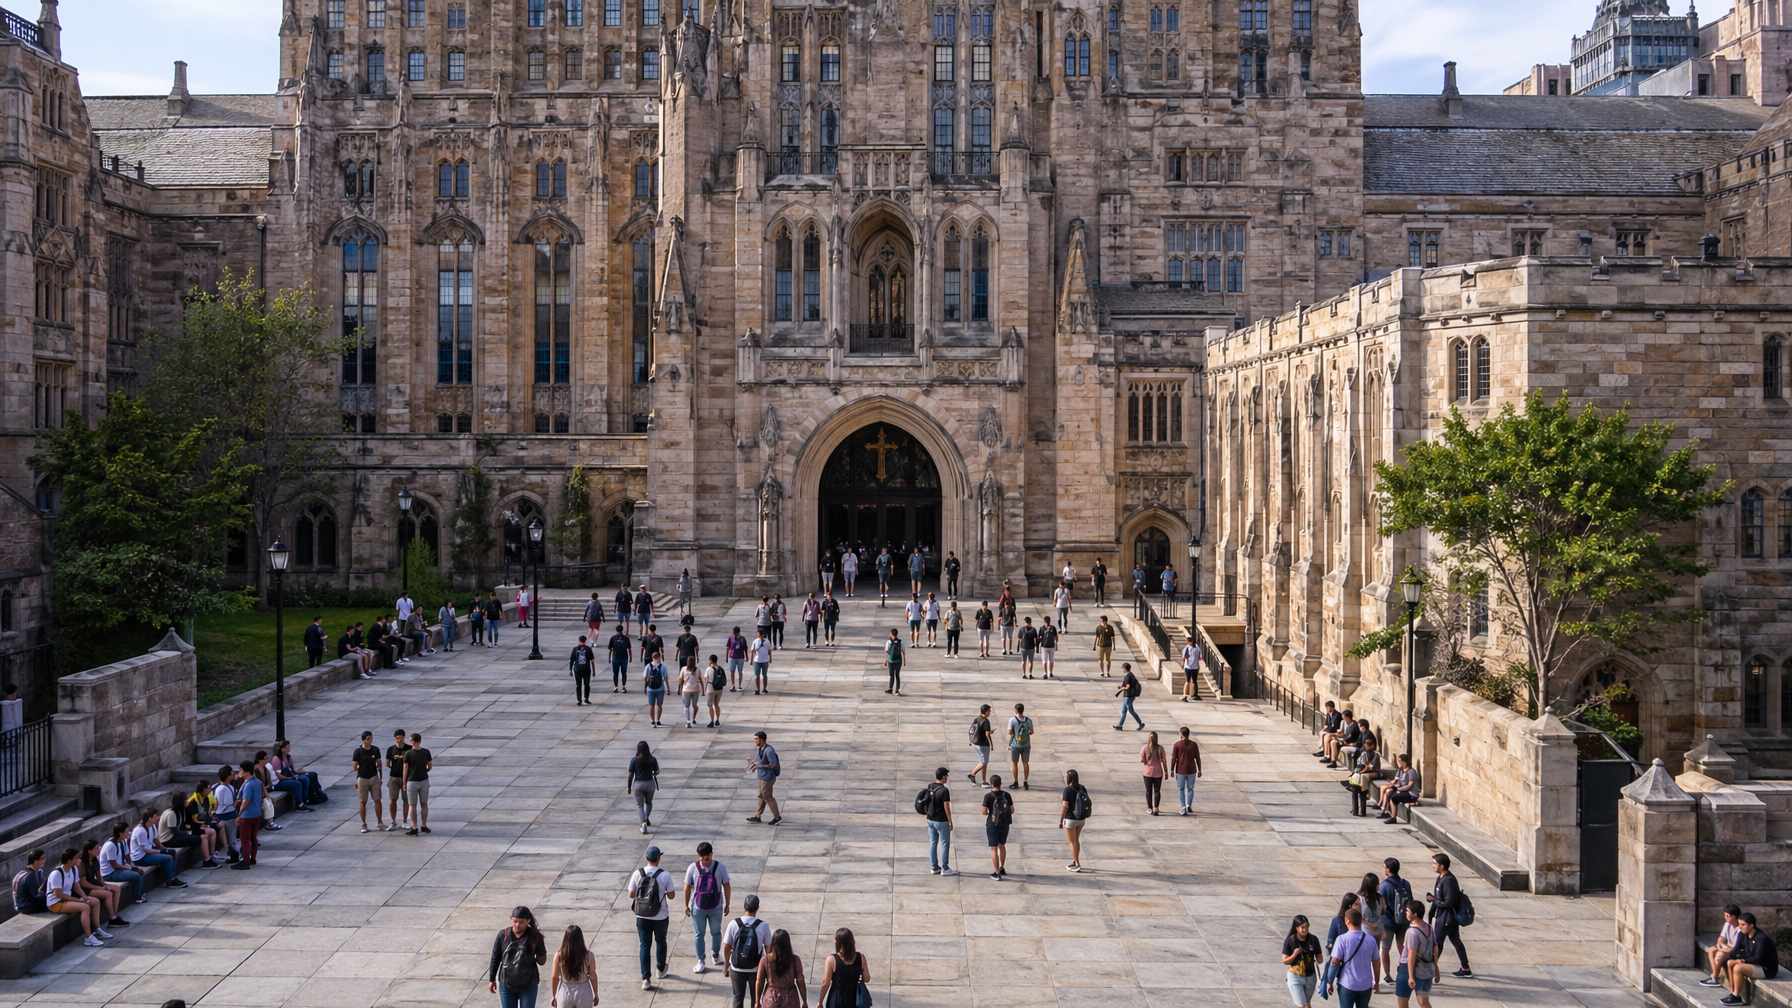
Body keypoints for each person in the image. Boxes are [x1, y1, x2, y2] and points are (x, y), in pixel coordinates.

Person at [628, 846, 676, 989]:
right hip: (660, 915)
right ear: (658, 858)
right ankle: (660, 969)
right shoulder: (665, 875)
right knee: (661, 941)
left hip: (642, 915)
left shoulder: (638, 873)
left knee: (644, 946)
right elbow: (672, 895)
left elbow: (630, 894)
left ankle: (645, 979)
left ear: (646, 858)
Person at [684, 841, 732, 973]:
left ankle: (715, 953)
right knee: (699, 934)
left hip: (715, 907)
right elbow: (687, 886)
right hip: (698, 907)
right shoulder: (693, 868)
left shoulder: (720, 867)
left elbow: (726, 885)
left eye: (706, 857)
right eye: (701, 857)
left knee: (715, 932)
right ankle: (701, 959)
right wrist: (686, 905)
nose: (704, 861)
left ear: (712, 854)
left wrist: (728, 903)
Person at [45, 849, 110, 946]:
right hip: (56, 903)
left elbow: (77, 887)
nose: (78, 861)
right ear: (68, 860)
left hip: (67, 899)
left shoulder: (74, 869)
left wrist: (84, 897)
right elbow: (58, 894)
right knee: (85, 907)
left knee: (95, 901)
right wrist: (78, 900)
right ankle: (88, 938)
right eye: (76, 858)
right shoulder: (56, 873)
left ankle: (97, 929)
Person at [489, 906, 548, 1008]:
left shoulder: (534, 936)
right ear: (511, 918)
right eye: (515, 921)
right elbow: (495, 957)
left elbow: (542, 961)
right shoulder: (503, 935)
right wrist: (492, 979)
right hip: (507, 984)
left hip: (528, 985)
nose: (517, 925)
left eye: (521, 922)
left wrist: (536, 949)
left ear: (528, 921)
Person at [1425, 853, 1471, 978]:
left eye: (1435, 863)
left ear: (1442, 866)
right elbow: (1440, 897)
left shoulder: (1449, 880)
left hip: (1447, 918)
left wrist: (1434, 901)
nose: (1433, 865)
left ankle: (1431, 969)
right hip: (1445, 916)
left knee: (1437, 943)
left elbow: (1450, 901)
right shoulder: (1441, 878)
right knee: (1455, 940)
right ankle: (1465, 968)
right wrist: (1433, 902)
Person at [722, 894, 772, 1008]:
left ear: (744, 906)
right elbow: (769, 948)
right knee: (756, 999)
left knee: (737, 997)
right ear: (758, 908)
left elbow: (726, 946)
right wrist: (768, 968)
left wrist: (726, 964)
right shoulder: (763, 926)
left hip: (736, 967)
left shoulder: (733, 924)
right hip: (756, 968)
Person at [1721, 912, 1780, 1005]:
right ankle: (1732, 992)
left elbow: (1757, 958)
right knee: (1730, 962)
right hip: (1755, 964)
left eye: (1743, 925)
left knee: (1738, 968)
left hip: (1766, 968)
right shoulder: (1744, 934)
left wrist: (1742, 960)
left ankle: (1737, 997)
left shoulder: (1761, 938)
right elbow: (1739, 950)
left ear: (1751, 925)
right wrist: (1732, 958)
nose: (1740, 927)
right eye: (1739, 924)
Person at [1327, 907, 1376, 1008]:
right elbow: (1376, 962)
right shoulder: (1371, 940)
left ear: (1347, 920)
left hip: (1347, 983)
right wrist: (1377, 980)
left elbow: (1335, 961)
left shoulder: (1342, 939)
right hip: (1366, 984)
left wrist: (1329, 981)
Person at [74, 841, 127, 929]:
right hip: (86, 888)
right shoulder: (82, 863)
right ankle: (112, 918)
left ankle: (114, 914)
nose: (98, 850)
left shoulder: (95, 860)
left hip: (94, 883)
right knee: (108, 894)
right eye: (95, 849)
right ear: (89, 851)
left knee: (116, 888)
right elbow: (83, 883)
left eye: (99, 848)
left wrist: (105, 885)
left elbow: (99, 876)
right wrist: (100, 888)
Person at [129, 808, 186, 888]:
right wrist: (160, 852)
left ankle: (170, 877)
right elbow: (146, 850)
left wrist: (165, 849)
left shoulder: (152, 827)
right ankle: (172, 880)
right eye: (155, 816)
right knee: (168, 858)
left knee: (172, 852)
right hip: (141, 857)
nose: (158, 817)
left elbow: (155, 840)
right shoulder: (140, 831)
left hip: (149, 852)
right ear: (149, 818)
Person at [158, 795, 222, 867]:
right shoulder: (170, 814)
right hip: (169, 839)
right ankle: (207, 861)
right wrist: (188, 832)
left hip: (177, 835)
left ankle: (210, 856)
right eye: (184, 801)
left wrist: (193, 829)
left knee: (205, 834)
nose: (186, 803)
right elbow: (175, 832)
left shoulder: (181, 811)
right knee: (203, 837)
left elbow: (183, 826)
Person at [1378, 858, 1415, 978]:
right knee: (1403, 947)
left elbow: (1381, 907)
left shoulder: (1384, 886)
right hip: (1403, 922)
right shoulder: (1406, 883)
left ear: (1388, 869)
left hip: (1388, 922)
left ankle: (1387, 975)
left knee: (1385, 949)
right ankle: (1404, 969)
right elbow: (1411, 902)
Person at [816, 927, 870, 1008]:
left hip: (836, 999)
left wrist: (820, 1001)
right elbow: (867, 979)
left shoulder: (831, 960)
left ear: (837, 942)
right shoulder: (861, 958)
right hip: (854, 999)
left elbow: (825, 983)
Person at [1396, 900, 1435, 1008]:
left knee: (1402, 1000)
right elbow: (1434, 948)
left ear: (1415, 914)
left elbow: (1411, 953)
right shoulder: (1429, 928)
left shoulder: (1412, 932)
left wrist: (1411, 976)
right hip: (1426, 968)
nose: (1406, 913)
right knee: (1424, 1002)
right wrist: (1436, 968)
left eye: (1408, 911)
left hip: (1408, 969)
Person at [919, 766, 956, 875]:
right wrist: (950, 821)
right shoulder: (944, 791)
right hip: (941, 820)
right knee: (945, 843)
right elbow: (946, 807)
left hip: (930, 819)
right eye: (946, 775)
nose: (947, 777)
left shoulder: (930, 786)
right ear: (943, 776)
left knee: (933, 842)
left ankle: (934, 866)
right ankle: (945, 867)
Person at [549, 924, 598, 1008]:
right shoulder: (588, 956)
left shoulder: (559, 956)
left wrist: (554, 995)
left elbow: (554, 977)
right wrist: (596, 994)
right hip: (583, 991)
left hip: (565, 991)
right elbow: (592, 977)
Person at [755, 929, 806, 1008]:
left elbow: (759, 981)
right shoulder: (795, 960)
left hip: (771, 998)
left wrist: (757, 1001)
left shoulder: (765, 960)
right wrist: (804, 1000)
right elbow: (800, 981)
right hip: (790, 999)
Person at [1356, 873, 1388, 992]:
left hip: (1377, 931)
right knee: (1365, 957)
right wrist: (1371, 925)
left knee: (1375, 957)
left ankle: (1377, 982)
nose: (1378, 886)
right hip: (1365, 932)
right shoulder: (1359, 899)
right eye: (1376, 884)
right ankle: (1365, 980)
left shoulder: (1380, 898)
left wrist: (1382, 930)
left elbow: (1382, 915)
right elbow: (1358, 917)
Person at [98, 824, 145, 902]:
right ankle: (137, 897)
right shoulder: (111, 845)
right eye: (126, 831)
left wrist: (134, 867)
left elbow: (127, 857)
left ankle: (138, 892)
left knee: (140, 872)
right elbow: (114, 865)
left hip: (120, 868)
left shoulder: (123, 842)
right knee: (136, 876)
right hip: (110, 873)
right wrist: (130, 869)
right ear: (120, 833)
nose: (129, 833)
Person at [1282, 915, 1322, 1008]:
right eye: (1302, 927)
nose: (1305, 930)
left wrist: (1320, 957)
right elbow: (1285, 961)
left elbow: (1319, 957)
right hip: (1295, 976)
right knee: (1302, 1005)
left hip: (1310, 976)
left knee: (1307, 1003)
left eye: (1307, 927)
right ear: (1296, 928)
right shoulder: (1290, 941)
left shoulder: (1313, 939)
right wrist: (1294, 954)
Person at [1702, 905, 1746, 987]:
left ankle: (1714, 977)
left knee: (1719, 955)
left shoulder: (1740, 929)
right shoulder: (1727, 925)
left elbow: (1735, 948)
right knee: (1712, 950)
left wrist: (1722, 949)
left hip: (1734, 950)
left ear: (1733, 917)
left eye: (1727, 916)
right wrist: (1720, 944)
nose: (1725, 917)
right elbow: (1721, 938)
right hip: (1726, 947)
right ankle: (1715, 975)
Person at [350, 731, 386, 833]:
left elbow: (379, 764)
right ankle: (364, 823)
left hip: (374, 777)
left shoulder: (375, 749)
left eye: (371, 738)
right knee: (362, 801)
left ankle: (380, 821)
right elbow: (354, 767)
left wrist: (380, 777)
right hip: (362, 778)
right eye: (368, 739)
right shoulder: (358, 751)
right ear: (363, 740)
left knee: (377, 799)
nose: (370, 741)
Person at [747, 732, 782, 824]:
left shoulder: (769, 750)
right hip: (762, 777)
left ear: (762, 740)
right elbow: (761, 762)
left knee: (768, 797)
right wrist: (754, 763)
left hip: (767, 778)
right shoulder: (760, 749)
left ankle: (777, 818)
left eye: (756, 739)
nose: (755, 741)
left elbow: (772, 764)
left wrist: (758, 767)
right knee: (761, 796)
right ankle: (758, 816)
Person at [982, 775, 1013, 879]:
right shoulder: (1007, 795)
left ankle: (996, 873)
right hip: (1005, 824)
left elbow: (984, 811)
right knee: (1002, 845)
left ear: (991, 784)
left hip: (992, 824)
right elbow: (1012, 810)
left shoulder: (988, 796)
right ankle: (1002, 867)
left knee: (994, 849)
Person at [234, 759, 263, 868]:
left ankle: (245, 861)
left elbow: (246, 800)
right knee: (253, 837)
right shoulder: (258, 782)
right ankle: (253, 858)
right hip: (257, 813)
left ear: (246, 772)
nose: (240, 772)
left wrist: (239, 814)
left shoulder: (248, 785)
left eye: (241, 770)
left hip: (247, 815)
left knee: (245, 839)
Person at [1059, 768, 1090, 872]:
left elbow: (1065, 806)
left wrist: (1060, 820)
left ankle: (1077, 863)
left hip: (1070, 819)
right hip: (1081, 818)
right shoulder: (1082, 787)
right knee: (1076, 840)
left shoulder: (1067, 790)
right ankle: (1075, 860)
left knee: (1071, 842)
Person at [403, 732, 433, 836]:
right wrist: (424, 771)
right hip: (424, 780)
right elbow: (430, 766)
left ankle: (414, 826)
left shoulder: (408, 754)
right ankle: (424, 826)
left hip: (412, 781)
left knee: (412, 805)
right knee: (424, 804)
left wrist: (404, 783)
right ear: (420, 741)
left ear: (412, 741)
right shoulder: (426, 752)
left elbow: (405, 770)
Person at [1346, 737, 1382, 817]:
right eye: (1366, 744)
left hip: (1373, 772)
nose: (1367, 746)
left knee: (1361, 778)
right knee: (1359, 780)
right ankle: (1356, 808)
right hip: (1365, 773)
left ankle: (1365, 792)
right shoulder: (1363, 753)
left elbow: (1369, 767)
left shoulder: (1375, 755)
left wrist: (1359, 772)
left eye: (1369, 745)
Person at [1376, 754, 1420, 821]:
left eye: (1400, 761)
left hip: (1410, 793)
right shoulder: (1401, 770)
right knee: (1389, 793)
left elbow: (1410, 785)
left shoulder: (1411, 771)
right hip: (1402, 790)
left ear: (1404, 762)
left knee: (1393, 798)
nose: (1399, 763)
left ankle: (1393, 817)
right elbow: (1397, 779)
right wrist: (1394, 783)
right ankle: (1384, 812)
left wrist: (1399, 789)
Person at [628, 741, 660, 833]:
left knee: (640, 805)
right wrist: (652, 773)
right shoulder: (652, 759)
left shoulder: (634, 760)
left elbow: (630, 774)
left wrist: (629, 787)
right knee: (649, 803)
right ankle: (646, 818)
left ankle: (643, 822)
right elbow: (657, 771)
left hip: (638, 784)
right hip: (650, 783)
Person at [210, 767, 240, 864]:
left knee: (230, 837)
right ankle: (234, 855)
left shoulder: (219, 788)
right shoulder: (227, 788)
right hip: (229, 814)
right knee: (231, 837)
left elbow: (221, 803)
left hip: (223, 814)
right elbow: (227, 803)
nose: (233, 775)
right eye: (231, 773)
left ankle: (234, 855)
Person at [1170, 726, 1202, 815]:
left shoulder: (1177, 745)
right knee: (1190, 788)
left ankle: (1183, 807)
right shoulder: (1194, 744)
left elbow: (1174, 758)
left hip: (1180, 770)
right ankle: (1189, 805)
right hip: (1192, 770)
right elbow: (1197, 758)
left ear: (1181, 734)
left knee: (1180, 789)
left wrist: (1172, 769)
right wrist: (1199, 769)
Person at [385, 729, 411, 832]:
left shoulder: (409, 749)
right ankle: (393, 820)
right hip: (394, 777)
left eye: (400, 738)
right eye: (397, 738)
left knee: (406, 799)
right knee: (393, 799)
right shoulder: (391, 749)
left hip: (406, 778)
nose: (399, 740)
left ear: (404, 737)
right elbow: (387, 763)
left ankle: (405, 820)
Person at [1007, 703, 1034, 790]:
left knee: (1015, 762)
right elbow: (1032, 731)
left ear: (1016, 710)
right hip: (1026, 744)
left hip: (1016, 744)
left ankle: (1016, 781)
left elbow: (1009, 731)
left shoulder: (1012, 720)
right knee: (1025, 762)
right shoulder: (1028, 720)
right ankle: (1025, 781)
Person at [1140, 731, 1167, 815]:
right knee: (1157, 790)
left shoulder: (1145, 747)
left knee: (1148, 790)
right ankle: (1156, 807)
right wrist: (1166, 771)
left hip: (1147, 772)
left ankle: (1149, 808)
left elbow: (1141, 759)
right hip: (1158, 771)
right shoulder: (1160, 748)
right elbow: (1164, 761)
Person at [968, 705, 993, 787]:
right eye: (989, 711)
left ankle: (984, 781)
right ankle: (972, 774)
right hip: (983, 744)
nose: (989, 713)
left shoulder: (977, 719)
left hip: (976, 743)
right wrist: (991, 744)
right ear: (986, 711)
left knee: (985, 762)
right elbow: (987, 734)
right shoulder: (986, 721)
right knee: (984, 762)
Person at [1114, 662, 1144, 730]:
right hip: (1128, 696)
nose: (1123, 669)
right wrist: (1121, 686)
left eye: (1123, 668)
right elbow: (1126, 684)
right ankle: (1120, 725)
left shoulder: (1128, 676)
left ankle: (1140, 723)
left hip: (1128, 696)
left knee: (1131, 711)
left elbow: (1127, 687)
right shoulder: (1131, 675)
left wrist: (1122, 688)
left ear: (1125, 668)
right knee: (1124, 711)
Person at [643, 651, 669, 727]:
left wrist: (647, 684)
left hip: (650, 689)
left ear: (652, 658)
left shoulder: (648, 666)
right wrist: (668, 688)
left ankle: (653, 720)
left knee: (652, 705)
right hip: (660, 688)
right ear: (659, 658)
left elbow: (645, 677)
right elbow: (666, 678)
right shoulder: (663, 666)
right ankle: (658, 720)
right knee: (659, 705)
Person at [569, 636, 596, 706]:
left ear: (579, 640)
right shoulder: (588, 649)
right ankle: (586, 698)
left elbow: (572, 660)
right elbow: (592, 660)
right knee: (586, 684)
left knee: (578, 685)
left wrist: (570, 670)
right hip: (586, 669)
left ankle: (579, 699)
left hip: (577, 669)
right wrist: (594, 670)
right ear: (585, 641)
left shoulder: (575, 649)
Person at [678, 658, 704, 728]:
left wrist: (681, 686)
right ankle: (694, 718)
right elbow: (701, 680)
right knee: (695, 705)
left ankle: (688, 720)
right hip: (696, 689)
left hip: (686, 689)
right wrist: (703, 690)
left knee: (686, 706)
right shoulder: (697, 669)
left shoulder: (684, 669)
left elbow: (680, 679)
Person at [607, 624, 632, 694]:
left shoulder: (614, 638)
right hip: (623, 658)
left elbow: (609, 647)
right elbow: (629, 649)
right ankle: (622, 686)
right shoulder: (625, 638)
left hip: (617, 658)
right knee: (622, 673)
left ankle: (616, 686)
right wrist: (630, 657)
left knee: (616, 673)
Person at [706, 654, 726, 727]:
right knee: (716, 704)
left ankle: (712, 721)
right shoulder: (720, 669)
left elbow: (706, 678)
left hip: (711, 688)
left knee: (710, 705)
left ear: (710, 660)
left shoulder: (709, 669)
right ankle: (717, 719)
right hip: (719, 689)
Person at [750, 629, 773, 695]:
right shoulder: (756, 641)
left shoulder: (767, 641)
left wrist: (770, 658)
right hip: (757, 660)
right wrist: (751, 660)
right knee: (757, 675)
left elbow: (769, 650)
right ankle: (758, 688)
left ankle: (764, 688)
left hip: (764, 660)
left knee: (764, 675)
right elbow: (752, 651)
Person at [726, 626, 749, 690]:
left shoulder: (742, 639)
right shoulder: (731, 638)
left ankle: (739, 685)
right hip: (732, 656)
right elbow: (727, 647)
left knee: (740, 671)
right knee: (732, 672)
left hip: (740, 657)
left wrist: (746, 656)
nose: (735, 635)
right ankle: (733, 685)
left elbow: (745, 648)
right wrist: (727, 657)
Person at [884, 628, 905, 695]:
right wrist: (904, 661)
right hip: (899, 660)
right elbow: (904, 652)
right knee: (897, 675)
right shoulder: (900, 642)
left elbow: (887, 651)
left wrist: (886, 660)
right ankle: (897, 690)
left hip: (891, 660)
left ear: (892, 634)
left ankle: (890, 689)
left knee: (891, 675)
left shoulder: (889, 642)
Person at [1180, 637, 1202, 701]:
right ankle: (1195, 694)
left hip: (1188, 666)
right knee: (1194, 681)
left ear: (1188, 642)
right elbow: (1199, 657)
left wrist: (1183, 664)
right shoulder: (1196, 647)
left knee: (1188, 681)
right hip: (1195, 667)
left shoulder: (1187, 647)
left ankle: (1186, 695)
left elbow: (1184, 657)